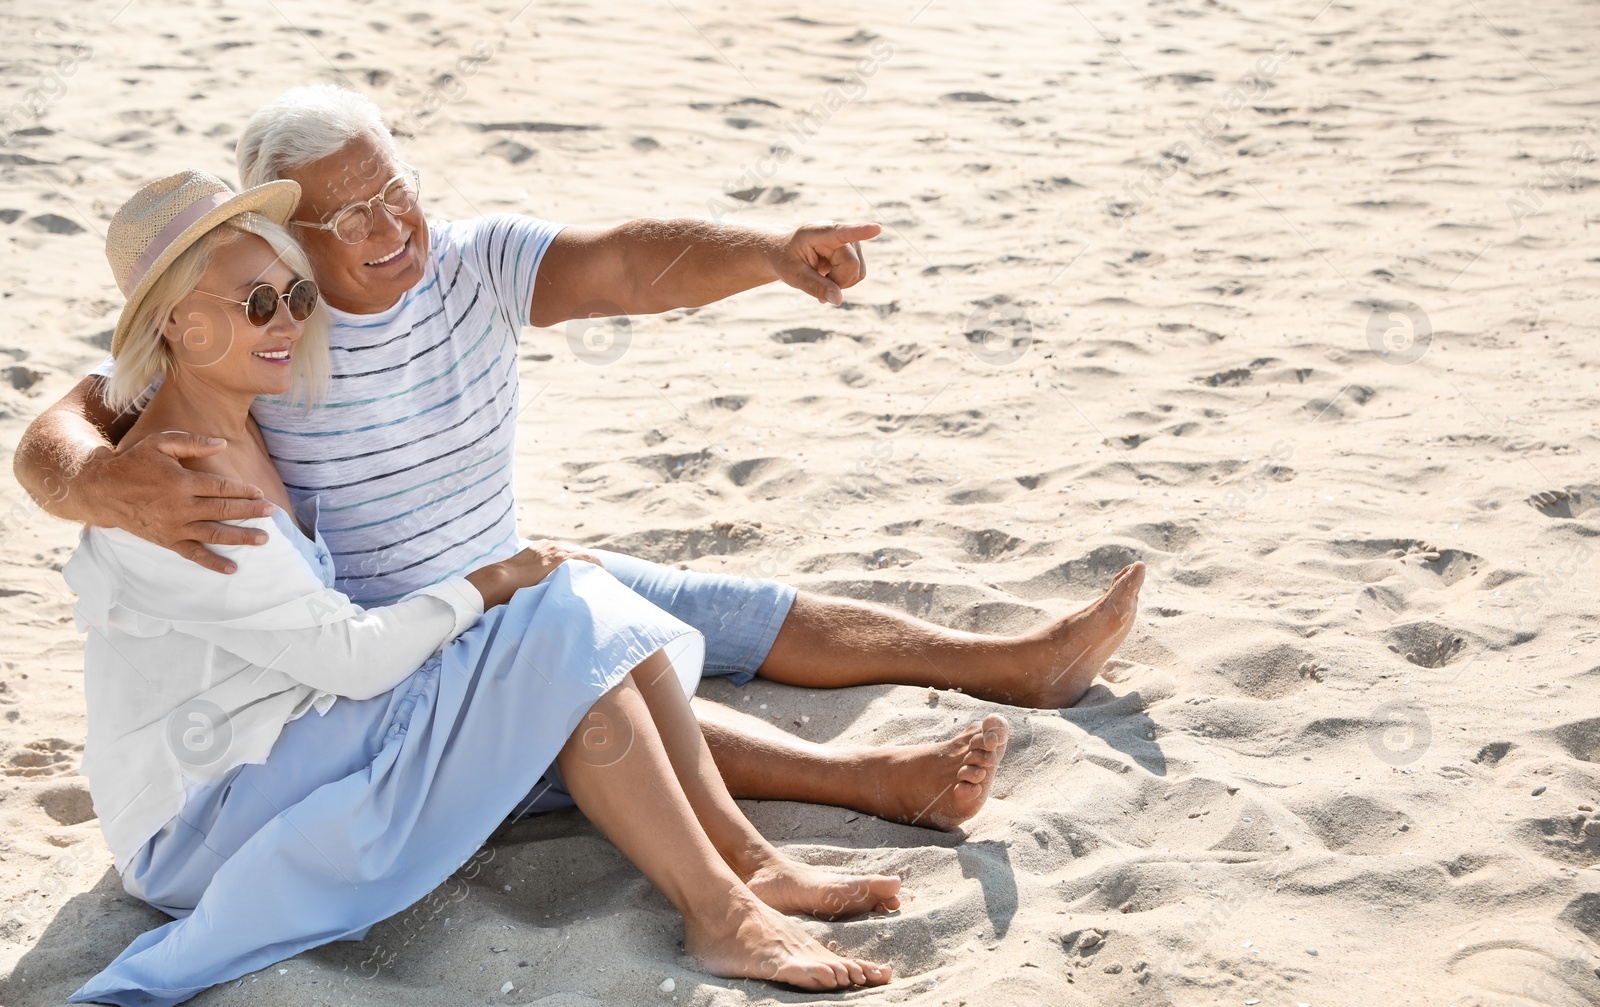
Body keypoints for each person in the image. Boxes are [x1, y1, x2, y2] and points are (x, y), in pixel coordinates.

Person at [12, 84, 1143, 825]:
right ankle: (869, 782)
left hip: (504, 560)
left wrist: (767, 251)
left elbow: (620, 265)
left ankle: (1011, 662)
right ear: (285, 233)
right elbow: (57, 430)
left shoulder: (468, 263)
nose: (389, 229)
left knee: (715, 601)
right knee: (592, 681)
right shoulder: (260, 322)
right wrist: (97, 479)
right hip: (410, 634)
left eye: (394, 191)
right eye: (346, 217)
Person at [64, 171, 929, 1007]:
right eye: (257, 305)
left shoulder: (231, 408)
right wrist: (493, 579)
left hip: (282, 741)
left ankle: (741, 862)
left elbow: (618, 263)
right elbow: (352, 661)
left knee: (571, 601)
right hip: (199, 827)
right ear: (177, 321)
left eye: (295, 296)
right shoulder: (178, 484)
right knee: (548, 612)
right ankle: (722, 910)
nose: (289, 321)